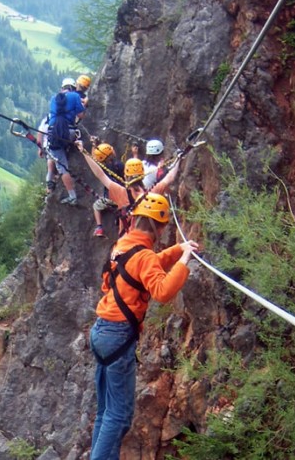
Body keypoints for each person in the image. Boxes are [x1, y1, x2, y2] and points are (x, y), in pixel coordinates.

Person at [89, 193, 199, 459]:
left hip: (102, 331)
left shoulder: (123, 244)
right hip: (118, 337)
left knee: (106, 411)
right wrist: (184, 261)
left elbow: (140, 267)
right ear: (159, 227)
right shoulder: (143, 255)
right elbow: (162, 291)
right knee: (119, 416)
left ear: (137, 219)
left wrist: (178, 250)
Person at [76, 141, 181, 237]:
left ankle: (100, 227)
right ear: (142, 175)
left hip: (126, 239)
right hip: (145, 240)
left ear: (126, 176)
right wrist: (179, 159)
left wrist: (83, 152)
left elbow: (100, 175)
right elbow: (169, 178)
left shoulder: (121, 192)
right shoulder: (152, 193)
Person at [45, 78, 83, 205]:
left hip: (54, 134)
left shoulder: (53, 99)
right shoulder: (75, 96)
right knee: (64, 147)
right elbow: (81, 115)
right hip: (70, 133)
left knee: (61, 166)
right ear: (72, 88)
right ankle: (67, 148)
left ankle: (71, 195)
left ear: (62, 88)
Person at [90, 142, 124, 237]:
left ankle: (99, 227)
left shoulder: (103, 168)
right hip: (123, 196)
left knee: (96, 206)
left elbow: (93, 159)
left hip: (110, 198)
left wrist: (93, 145)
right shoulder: (120, 165)